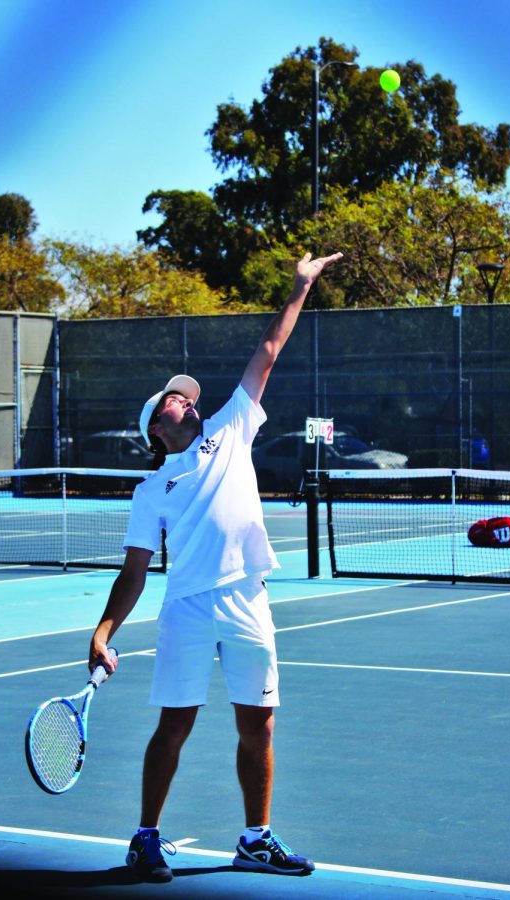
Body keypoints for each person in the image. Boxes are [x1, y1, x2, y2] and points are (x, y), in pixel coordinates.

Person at [88, 250, 343, 883]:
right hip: (187, 610)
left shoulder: (230, 426)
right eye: (173, 400)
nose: (184, 398)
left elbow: (269, 348)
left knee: (258, 722)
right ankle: (145, 838)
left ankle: (254, 838)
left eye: (184, 396)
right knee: (174, 724)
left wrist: (299, 287)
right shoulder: (151, 491)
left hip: (248, 599)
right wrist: (103, 632)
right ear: (157, 428)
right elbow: (135, 572)